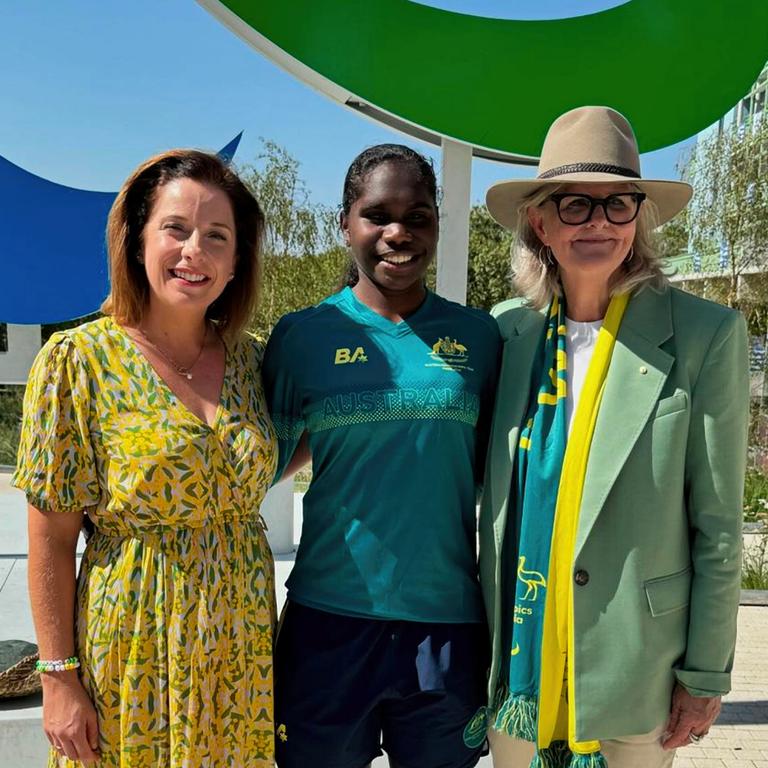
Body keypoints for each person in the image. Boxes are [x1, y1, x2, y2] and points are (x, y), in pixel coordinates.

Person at [478, 106, 750, 768]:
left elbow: (717, 524)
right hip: (518, 669)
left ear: (639, 219)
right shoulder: (507, 333)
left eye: (619, 204)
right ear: (539, 222)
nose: (599, 222)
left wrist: (706, 675)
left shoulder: (703, 335)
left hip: (639, 671)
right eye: (575, 204)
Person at [13, 149, 277, 767]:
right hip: (134, 642)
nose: (195, 251)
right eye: (175, 229)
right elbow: (50, 540)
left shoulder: (250, 360)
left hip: (241, 649)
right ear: (136, 242)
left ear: (238, 262)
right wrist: (58, 678)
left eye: (217, 236)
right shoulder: (79, 361)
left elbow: (237, 468)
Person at [262, 144, 501, 768]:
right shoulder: (301, 336)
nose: (399, 233)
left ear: (438, 224)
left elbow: (495, 472)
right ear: (346, 223)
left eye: (418, 216)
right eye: (378, 215)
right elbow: (266, 461)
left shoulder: (481, 337)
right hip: (328, 623)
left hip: (446, 624)